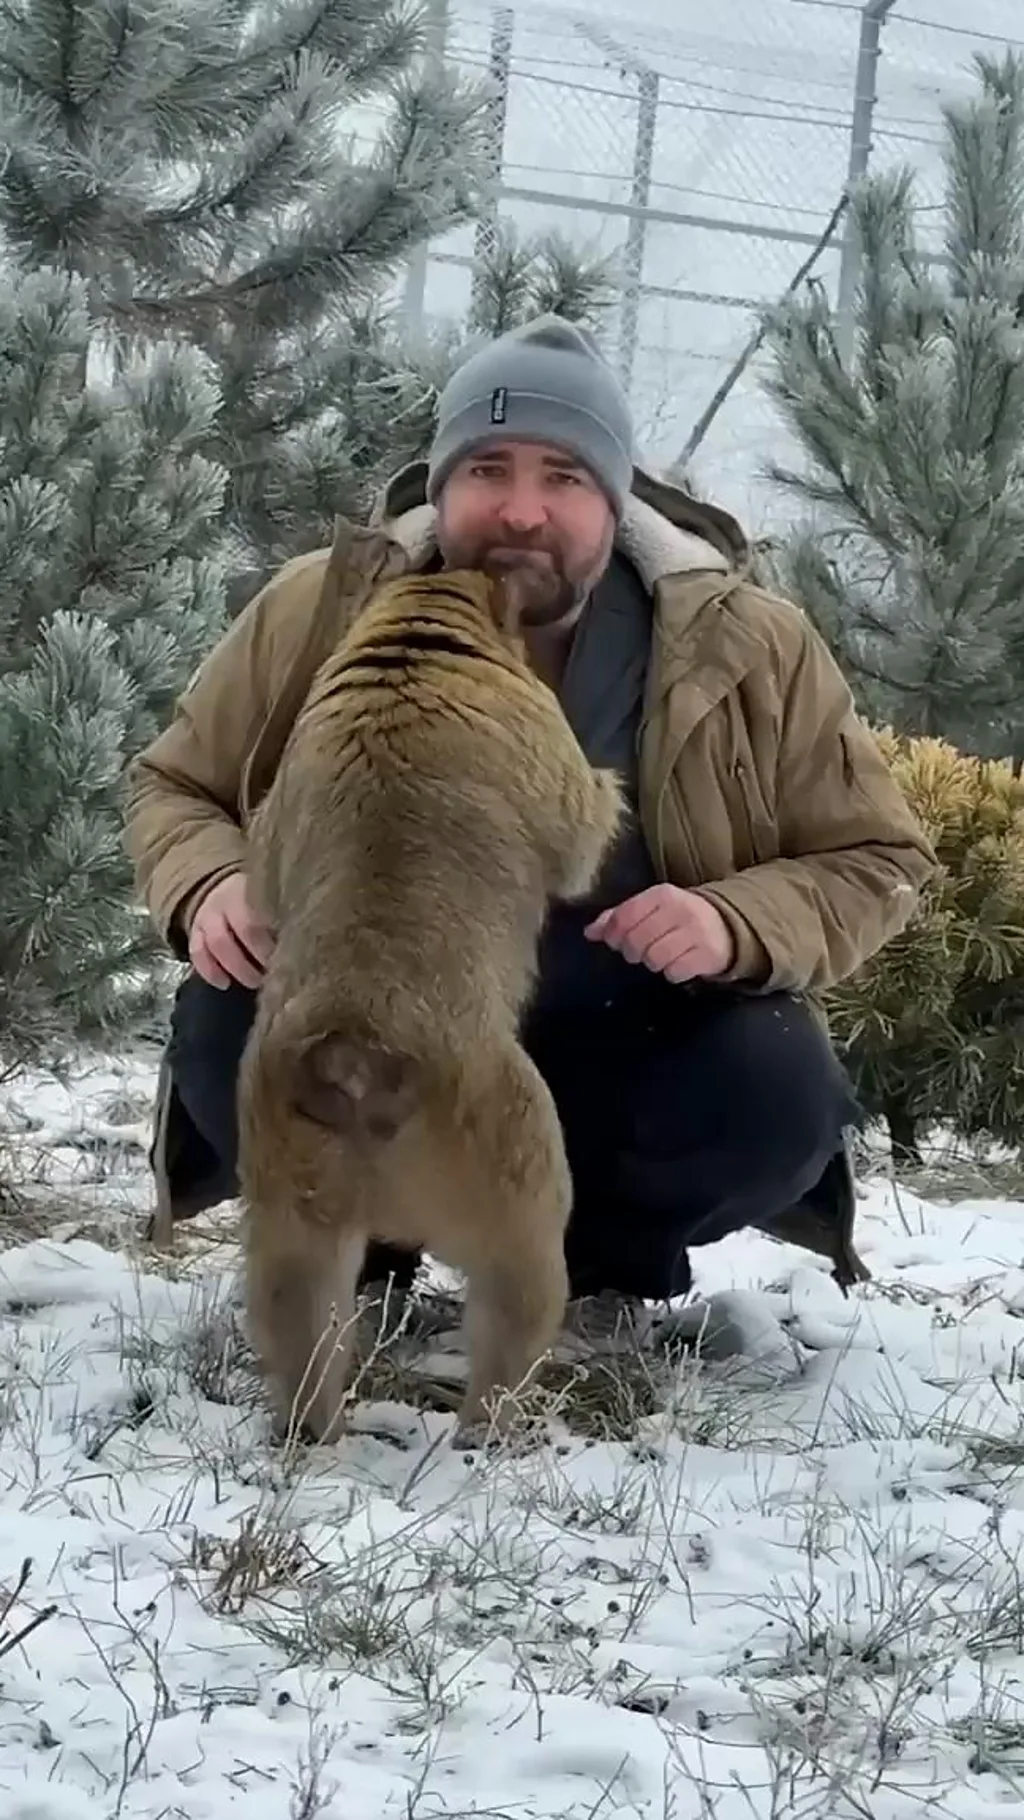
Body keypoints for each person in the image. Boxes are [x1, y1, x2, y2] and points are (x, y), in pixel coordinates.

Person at [124, 314, 936, 1340]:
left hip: (620, 1023)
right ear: (440, 480)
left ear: (613, 494)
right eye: (487, 469)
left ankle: (595, 1266)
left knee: (771, 1085)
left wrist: (734, 920)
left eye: (563, 476)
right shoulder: (317, 608)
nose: (520, 511)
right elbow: (173, 785)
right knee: (226, 1017)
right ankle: (367, 1248)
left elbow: (879, 854)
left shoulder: (742, 642)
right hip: (371, 1002)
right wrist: (209, 882)